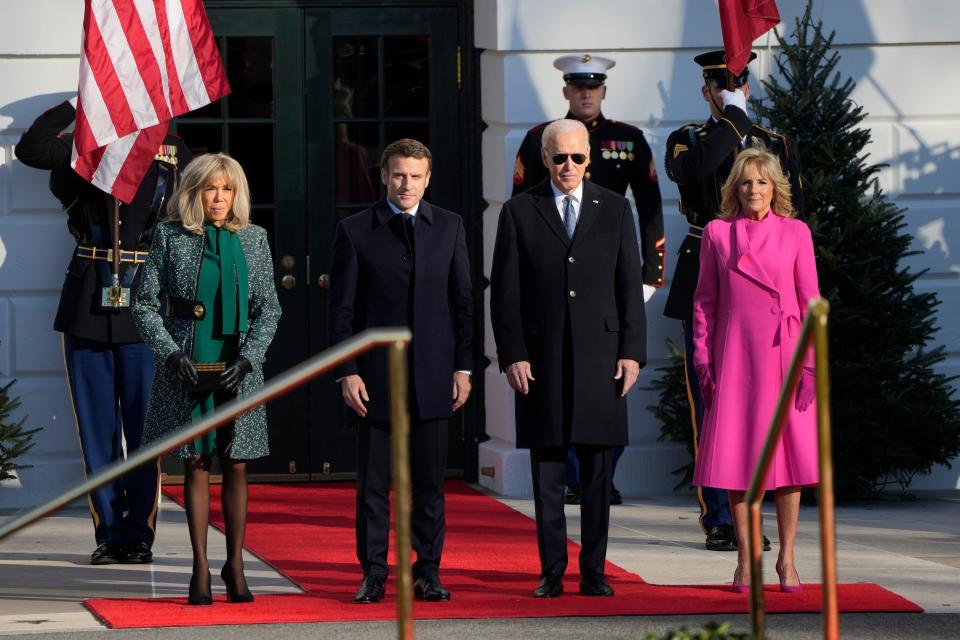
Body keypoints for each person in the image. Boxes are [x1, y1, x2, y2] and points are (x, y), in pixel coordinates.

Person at [14, 98, 191, 565]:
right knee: (97, 432)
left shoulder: (171, 150)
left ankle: (139, 534)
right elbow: (30, 150)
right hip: (88, 302)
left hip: (147, 304)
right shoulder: (83, 150)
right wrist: (78, 101)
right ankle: (109, 532)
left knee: (144, 429)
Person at [491, 119, 646, 598]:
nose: (569, 166)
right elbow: (505, 294)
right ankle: (552, 570)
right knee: (549, 472)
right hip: (542, 360)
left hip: (602, 360)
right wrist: (513, 354)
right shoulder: (519, 211)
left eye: (577, 157)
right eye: (559, 157)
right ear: (544, 158)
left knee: (600, 473)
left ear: (589, 158)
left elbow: (628, 288)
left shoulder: (616, 208)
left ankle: (594, 570)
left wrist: (632, 354)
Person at [663, 50, 804, 552]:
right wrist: (735, 119)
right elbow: (692, 172)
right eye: (719, 88)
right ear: (707, 92)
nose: (726, 93)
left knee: (769, 411)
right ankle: (720, 516)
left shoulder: (776, 144)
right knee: (713, 403)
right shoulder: (689, 138)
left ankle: (761, 516)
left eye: (736, 86)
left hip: (764, 292)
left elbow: (793, 215)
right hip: (708, 262)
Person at [512, 53, 665, 506]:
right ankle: (575, 477)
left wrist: (649, 276)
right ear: (565, 91)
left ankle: (602, 475)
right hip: (556, 275)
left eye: (592, 87)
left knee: (609, 384)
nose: (585, 94)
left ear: (603, 91)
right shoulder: (539, 139)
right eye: (577, 87)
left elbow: (651, 208)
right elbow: (522, 205)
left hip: (610, 278)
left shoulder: (629, 140)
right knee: (558, 385)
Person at [328, 138, 473, 604]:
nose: (406, 184)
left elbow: (464, 304)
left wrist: (464, 368)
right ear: (384, 176)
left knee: (430, 483)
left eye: (415, 176)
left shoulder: (449, 227)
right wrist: (347, 371)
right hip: (375, 379)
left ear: (428, 179)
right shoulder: (355, 231)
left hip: (434, 376)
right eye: (398, 175)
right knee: (374, 485)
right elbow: (342, 312)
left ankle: (427, 570)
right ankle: (373, 572)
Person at [133, 153, 281, 605]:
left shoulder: (254, 239)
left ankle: (234, 563)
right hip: (188, 367)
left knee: (236, 463)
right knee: (197, 463)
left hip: (238, 369)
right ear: (195, 192)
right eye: (210, 188)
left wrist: (251, 358)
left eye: (228, 189)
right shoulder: (170, 237)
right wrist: (171, 353)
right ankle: (199, 567)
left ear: (238, 194)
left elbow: (268, 309)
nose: (219, 198)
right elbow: (143, 304)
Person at [692, 146, 819, 592]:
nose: (754, 190)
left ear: (775, 188)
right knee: (739, 461)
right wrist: (703, 356)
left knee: (786, 465)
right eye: (746, 182)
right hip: (737, 360)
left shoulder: (796, 232)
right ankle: (746, 562)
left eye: (762, 181)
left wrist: (809, 365)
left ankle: (786, 559)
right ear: (734, 188)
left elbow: (810, 303)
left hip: (783, 356)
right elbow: (705, 301)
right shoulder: (716, 233)